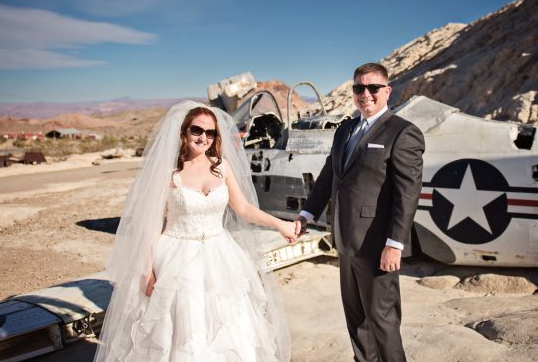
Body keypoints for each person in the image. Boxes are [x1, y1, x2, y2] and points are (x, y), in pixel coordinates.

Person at [95, 101, 295, 362]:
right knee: (181, 332)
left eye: (210, 133)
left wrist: (280, 224)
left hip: (220, 257)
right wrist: (147, 271)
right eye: (197, 130)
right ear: (184, 132)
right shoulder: (170, 172)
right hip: (176, 260)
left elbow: (244, 208)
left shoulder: (221, 166)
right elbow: (151, 224)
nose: (203, 138)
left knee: (229, 329)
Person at [295, 63, 425, 362]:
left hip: (377, 245)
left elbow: (408, 194)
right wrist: (307, 215)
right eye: (358, 88)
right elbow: (329, 175)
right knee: (356, 320)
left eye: (373, 88)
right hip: (346, 241)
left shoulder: (403, 132)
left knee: (382, 321)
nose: (365, 94)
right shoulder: (345, 130)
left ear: (387, 91)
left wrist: (395, 243)